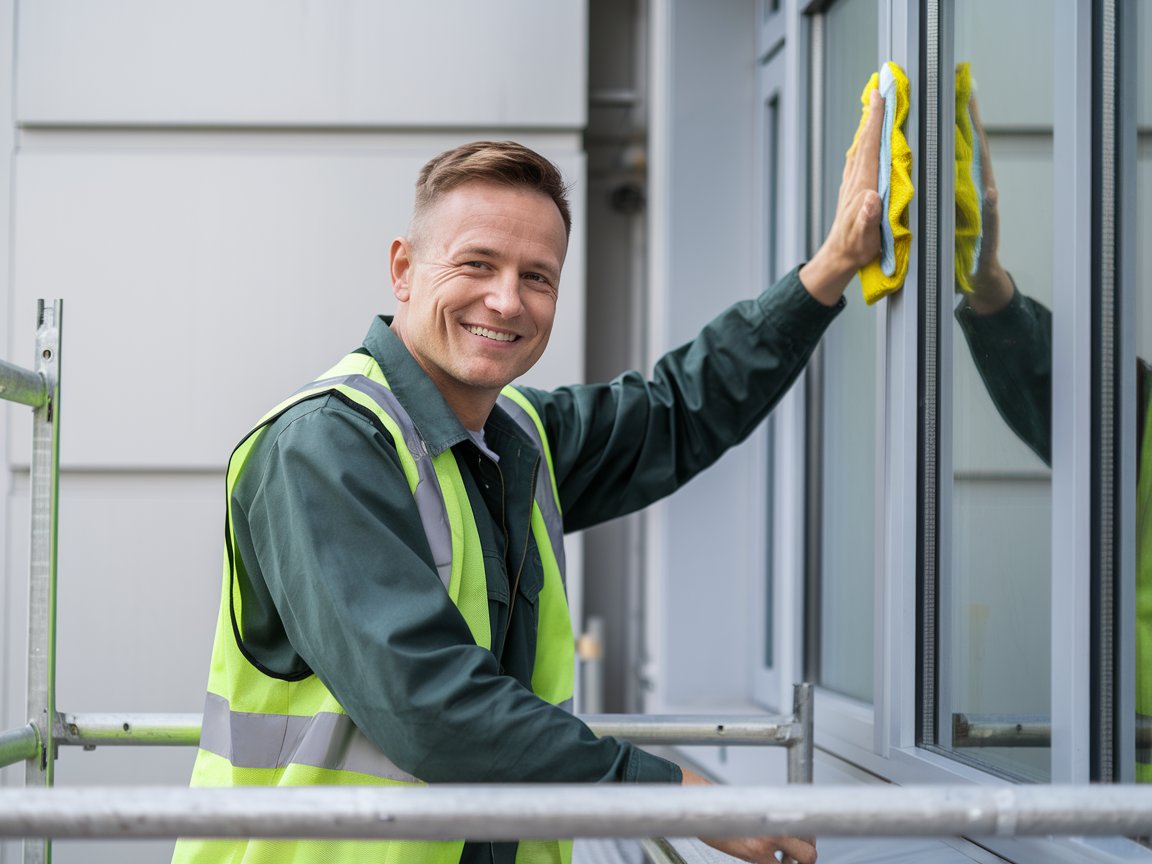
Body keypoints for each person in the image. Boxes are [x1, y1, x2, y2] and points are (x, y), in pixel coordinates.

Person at [172, 90, 885, 864]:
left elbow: (681, 409)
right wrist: (672, 795)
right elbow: (431, 705)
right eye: (477, 263)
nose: (507, 300)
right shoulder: (322, 449)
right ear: (403, 269)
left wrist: (832, 266)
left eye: (537, 277)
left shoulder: (517, 437)